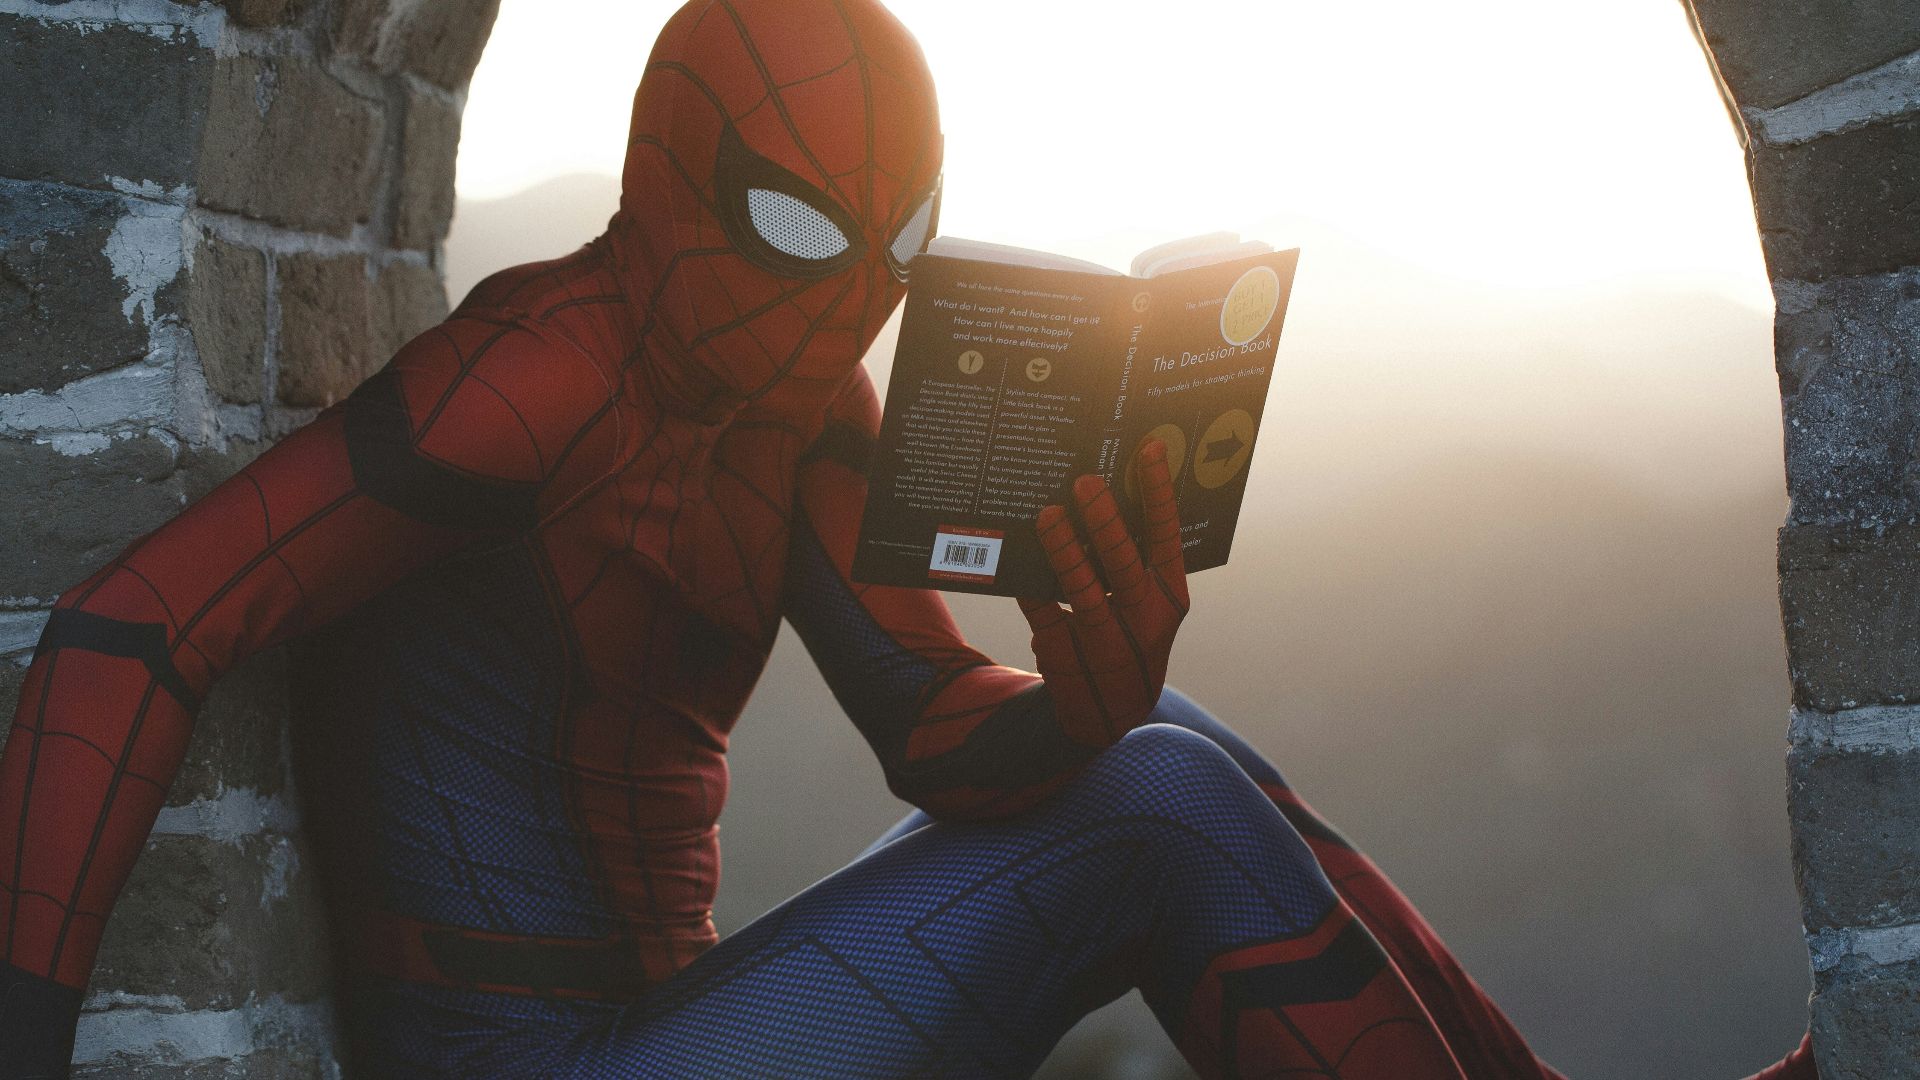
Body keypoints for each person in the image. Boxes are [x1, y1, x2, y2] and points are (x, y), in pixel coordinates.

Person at [0, 1, 1816, 1076]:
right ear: (672, 188)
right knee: (1166, 809)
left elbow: (945, 728)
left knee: (1177, 751)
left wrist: (1090, 692)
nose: (857, 298)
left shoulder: (799, 401)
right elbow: (135, 628)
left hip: (686, 1024)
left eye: (899, 241)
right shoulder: (538, 373)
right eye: (801, 233)